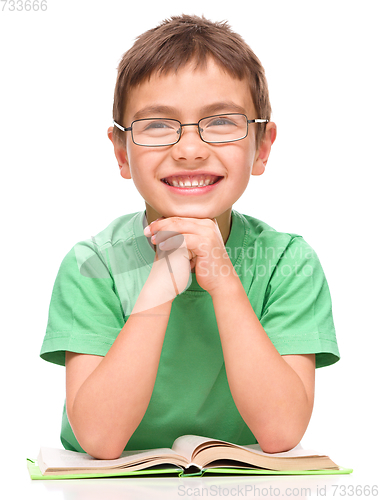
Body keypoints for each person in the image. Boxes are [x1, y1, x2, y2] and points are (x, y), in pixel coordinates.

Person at [40, 14, 340, 460]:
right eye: (158, 125)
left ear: (262, 147)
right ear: (121, 153)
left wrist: (223, 281)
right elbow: (99, 441)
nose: (189, 149)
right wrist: (160, 283)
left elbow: (281, 433)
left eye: (220, 122)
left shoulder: (287, 262)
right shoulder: (94, 263)